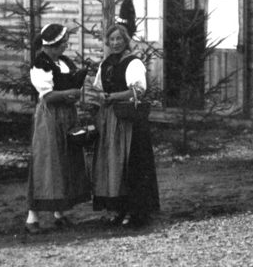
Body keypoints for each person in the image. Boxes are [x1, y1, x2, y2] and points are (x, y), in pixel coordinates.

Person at [92, 23, 160, 228]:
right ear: (107, 42)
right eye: (111, 40)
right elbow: (98, 87)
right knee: (112, 165)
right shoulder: (105, 64)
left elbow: (137, 91)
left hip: (129, 120)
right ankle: (118, 208)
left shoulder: (133, 63)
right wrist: (102, 97)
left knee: (129, 164)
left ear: (125, 41)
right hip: (110, 119)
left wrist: (112, 96)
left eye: (119, 39)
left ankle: (134, 210)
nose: (115, 43)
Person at [25, 23, 91, 234]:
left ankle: (59, 214)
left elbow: (73, 84)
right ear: (52, 45)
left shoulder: (63, 62)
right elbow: (48, 96)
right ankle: (32, 218)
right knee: (47, 162)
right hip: (50, 117)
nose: (65, 46)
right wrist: (69, 93)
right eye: (63, 43)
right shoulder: (40, 64)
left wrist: (76, 90)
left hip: (67, 115)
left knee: (65, 161)